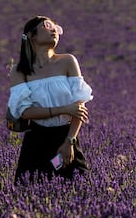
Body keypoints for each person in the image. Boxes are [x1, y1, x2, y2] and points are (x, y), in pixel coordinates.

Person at [8, 15, 93, 184]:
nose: (54, 30)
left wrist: (70, 141)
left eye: (56, 27)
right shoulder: (19, 71)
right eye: (47, 26)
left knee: (79, 189)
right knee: (29, 190)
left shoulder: (68, 61)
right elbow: (25, 112)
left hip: (66, 136)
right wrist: (63, 109)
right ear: (32, 36)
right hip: (36, 139)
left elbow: (79, 106)